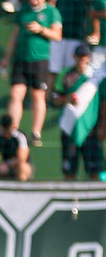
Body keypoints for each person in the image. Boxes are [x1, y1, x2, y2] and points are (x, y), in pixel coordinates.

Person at [0, 0, 62, 146]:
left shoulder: (51, 12)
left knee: (37, 95)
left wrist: (41, 30)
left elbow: (57, 35)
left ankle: (36, 133)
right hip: (21, 59)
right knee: (15, 94)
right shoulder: (24, 11)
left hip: (39, 60)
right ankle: (14, 130)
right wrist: (6, 58)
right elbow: (15, 35)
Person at [53, 43, 106, 179]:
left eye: (85, 57)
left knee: (95, 172)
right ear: (74, 57)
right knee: (69, 172)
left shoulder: (96, 77)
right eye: (80, 57)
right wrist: (67, 100)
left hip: (91, 130)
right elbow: (55, 99)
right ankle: (69, 200)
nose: (83, 60)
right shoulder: (65, 75)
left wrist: (102, 127)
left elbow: (103, 103)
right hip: (70, 128)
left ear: (89, 58)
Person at [48, 0, 93, 96]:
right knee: (53, 68)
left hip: (76, 36)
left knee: (72, 69)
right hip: (58, 36)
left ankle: (71, 95)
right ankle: (49, 97)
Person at [0, 113, 34, 180]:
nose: (6, 132)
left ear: (12, 126)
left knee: (22, 167)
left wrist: (7, 164)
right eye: (4, 128)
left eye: (8, 128)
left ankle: (21, 188)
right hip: (4, 165)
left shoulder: (20, 136)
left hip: (20, 165)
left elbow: (21, 159)